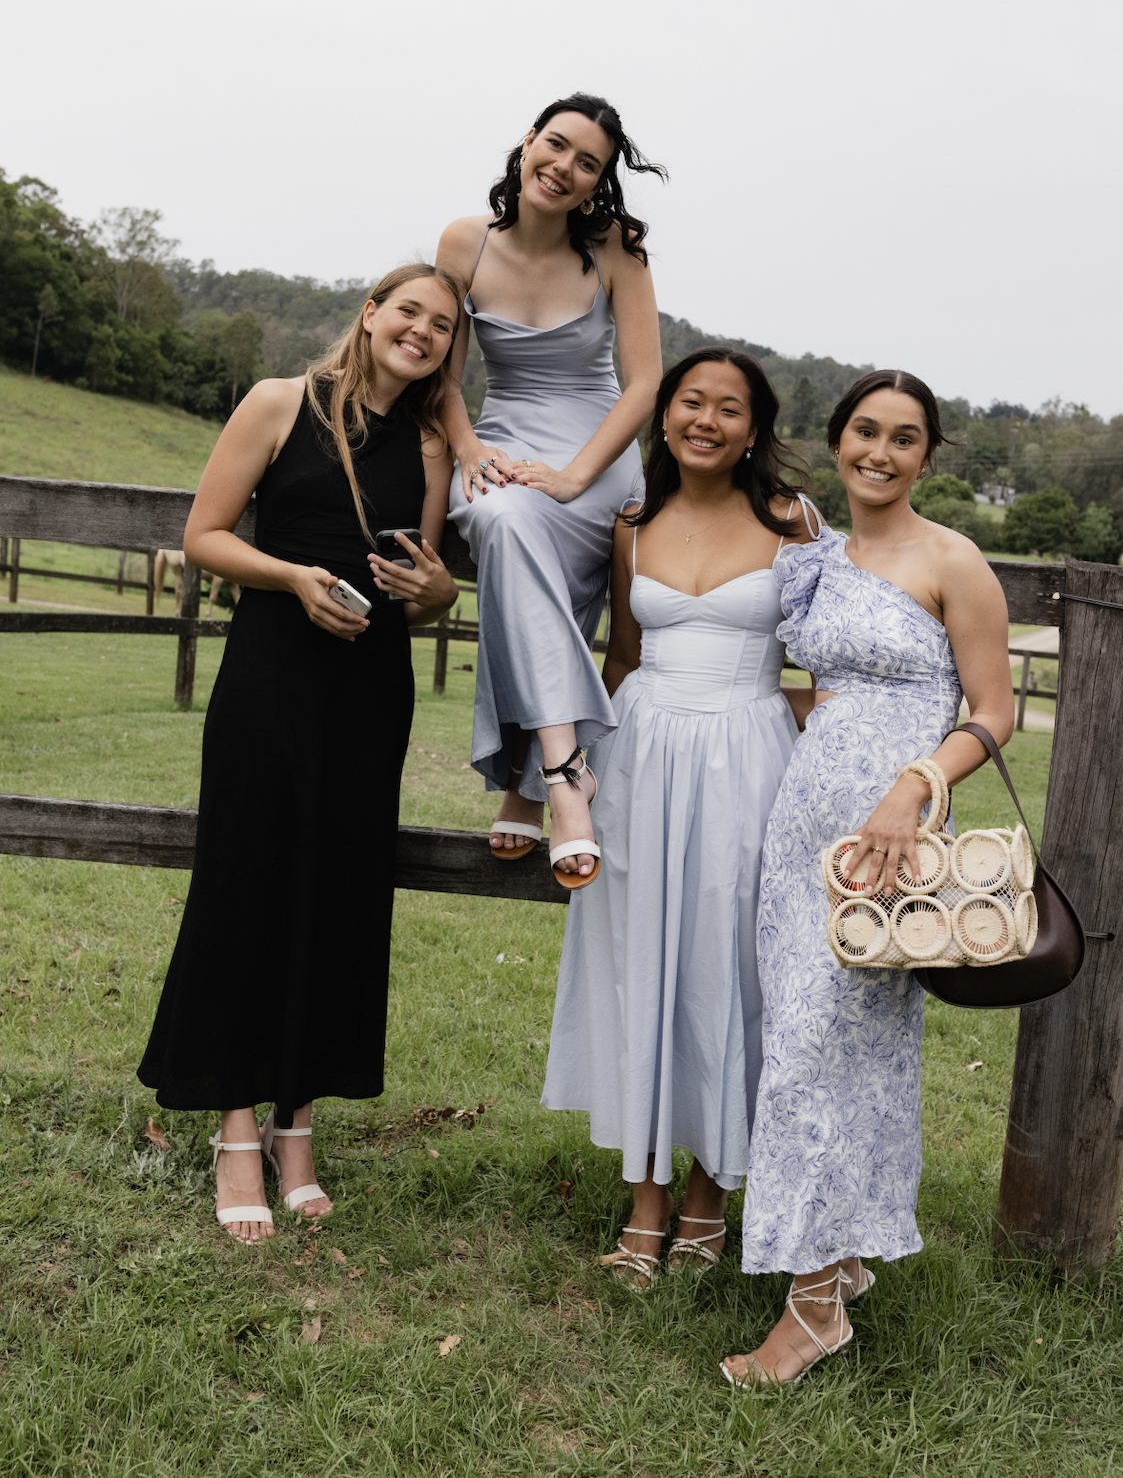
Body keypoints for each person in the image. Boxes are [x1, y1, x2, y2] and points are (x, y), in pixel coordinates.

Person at [138, 265, 463, 1243]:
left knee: (339, 891)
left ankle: (298, 1125)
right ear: (370, 313)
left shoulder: (433, 441)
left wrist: (441, 591)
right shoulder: (280, 403)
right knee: (251, 882)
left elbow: (425, 580)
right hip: (272, 674)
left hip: (371, 688)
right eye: (409, 310)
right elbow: (202, 535)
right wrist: (289, 576)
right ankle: (235, 1126)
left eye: (443, 326)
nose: (422, 331)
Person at [722, 369, 1015, 1385]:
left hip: (891, 832)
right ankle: (838, 1254)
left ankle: (809, 1311)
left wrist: (918, 779)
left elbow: (994, 708)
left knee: (826, 1049)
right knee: (802, 1040)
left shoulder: (954, 558)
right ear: (837, 438)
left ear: (927, 455)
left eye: (903, 437)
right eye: (863, 431)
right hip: (801, 824)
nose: (879, 452)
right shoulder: (818, 556)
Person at [542, 348, 823, 1285]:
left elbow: (828, 677)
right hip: (644, 758)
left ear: (755, 428)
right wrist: (574, 781)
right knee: (642, 966)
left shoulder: (794, 527)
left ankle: (712, 1191)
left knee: (733, 965)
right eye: (690, 402)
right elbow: (619, 659)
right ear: (663, 418)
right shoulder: (631, 525)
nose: (707, 420)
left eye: (729, 408)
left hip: (753, 757)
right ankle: (646, 1196)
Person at [435, 93, 664, 887]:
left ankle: (535, 785)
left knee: (521, 546)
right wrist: (466, 446)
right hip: (500, 444)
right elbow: (442, 365)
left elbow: (644, 385)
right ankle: (561, 778)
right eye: (556, 146)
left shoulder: (613, 249)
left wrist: (575, 476)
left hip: (597, 453)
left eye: (587, 163)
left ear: (600, 181)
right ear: (529, 141)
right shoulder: (465, 241)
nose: (564, 168)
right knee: (501, 522)